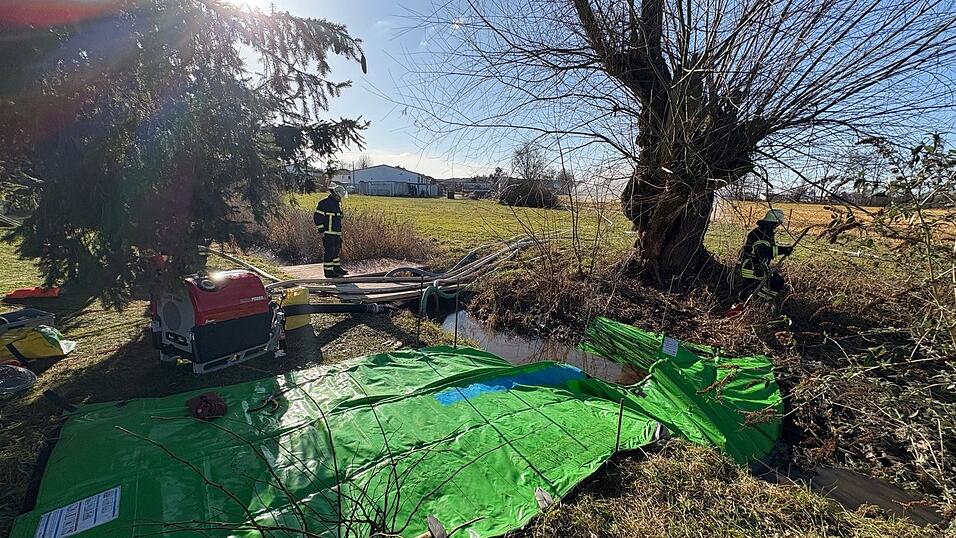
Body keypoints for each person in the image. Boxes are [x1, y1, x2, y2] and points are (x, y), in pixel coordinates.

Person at [736, 209, 794, 302]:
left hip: (754, 267)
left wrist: (782, 249)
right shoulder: (764, 234)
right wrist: (783, 250)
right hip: (753, 269)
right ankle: (758, 302)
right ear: (776, 222)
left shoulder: (761, 231)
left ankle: (754, 302)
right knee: (775, 282)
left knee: (773, 282)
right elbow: (762, 252)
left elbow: (766, 250)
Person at [314, 184, 348, 278]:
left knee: (336, 250)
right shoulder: (324, 203)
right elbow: (317, 217)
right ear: (335, 194)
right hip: (328, 233)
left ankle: (336, 268)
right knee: (329, 251)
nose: (340, 199)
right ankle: (328, 271)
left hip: (336, 233)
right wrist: (321, 229)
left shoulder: (336, 204)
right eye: (339, 197)